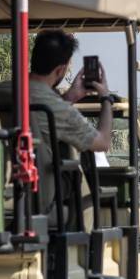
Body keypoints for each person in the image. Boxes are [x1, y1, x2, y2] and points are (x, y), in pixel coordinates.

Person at [27, 31, 115, 218]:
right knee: (85, 191)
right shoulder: (56, 108)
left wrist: (70, 97)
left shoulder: (6, 90)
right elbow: (103, 142)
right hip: (41, 191)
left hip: (10, 186)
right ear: (60, 70)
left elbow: (47, 114)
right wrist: (106, 99)